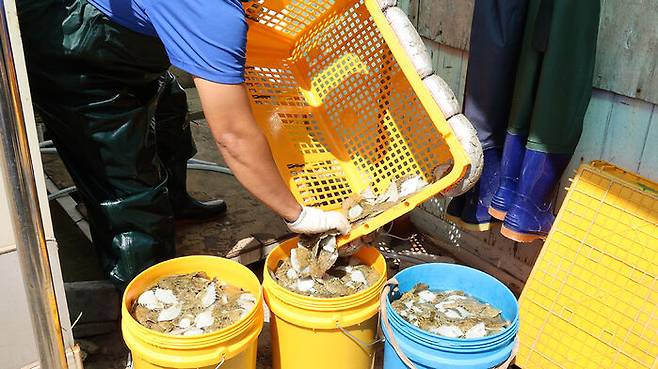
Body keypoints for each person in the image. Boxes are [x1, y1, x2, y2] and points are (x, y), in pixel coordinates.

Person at [17, 0, 350, 287]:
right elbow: (233, 136)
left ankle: (174, 204)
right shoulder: (212, 14)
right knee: (125, 187)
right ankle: (149, 312)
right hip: (72, 46)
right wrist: (297, 214)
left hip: (123, 30)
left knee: (169, 109)